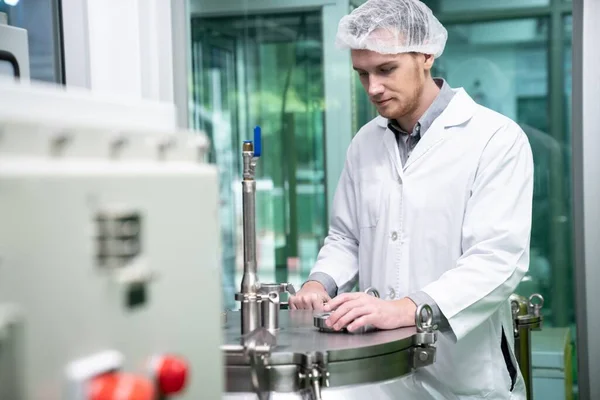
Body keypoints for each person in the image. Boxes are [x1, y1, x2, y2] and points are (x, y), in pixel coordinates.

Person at [288, 0, 534, 399]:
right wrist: (320, 282)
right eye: (362, 73)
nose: (373, 88)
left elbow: (497, 259)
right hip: (381, 374)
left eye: (386, 70)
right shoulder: (365, 143)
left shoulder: (495, 139)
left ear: (426, 54)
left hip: (465, 374)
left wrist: (406, 308)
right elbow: (347, 237)